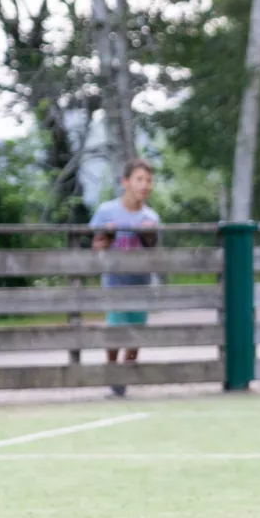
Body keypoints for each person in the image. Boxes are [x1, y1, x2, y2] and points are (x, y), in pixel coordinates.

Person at [90, 158, 160, 399]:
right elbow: (96, 246)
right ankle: (113, 373)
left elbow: (153, 249)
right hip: (114, 283)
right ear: (126, 182)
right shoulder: (106, 211)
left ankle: (126, 376)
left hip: (140, 283)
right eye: (140, 179)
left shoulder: (150, 216)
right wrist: (107, 234)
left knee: (136, 332)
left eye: (149, 180)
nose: (145, 185)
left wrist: (148, 233)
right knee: (115, 329)